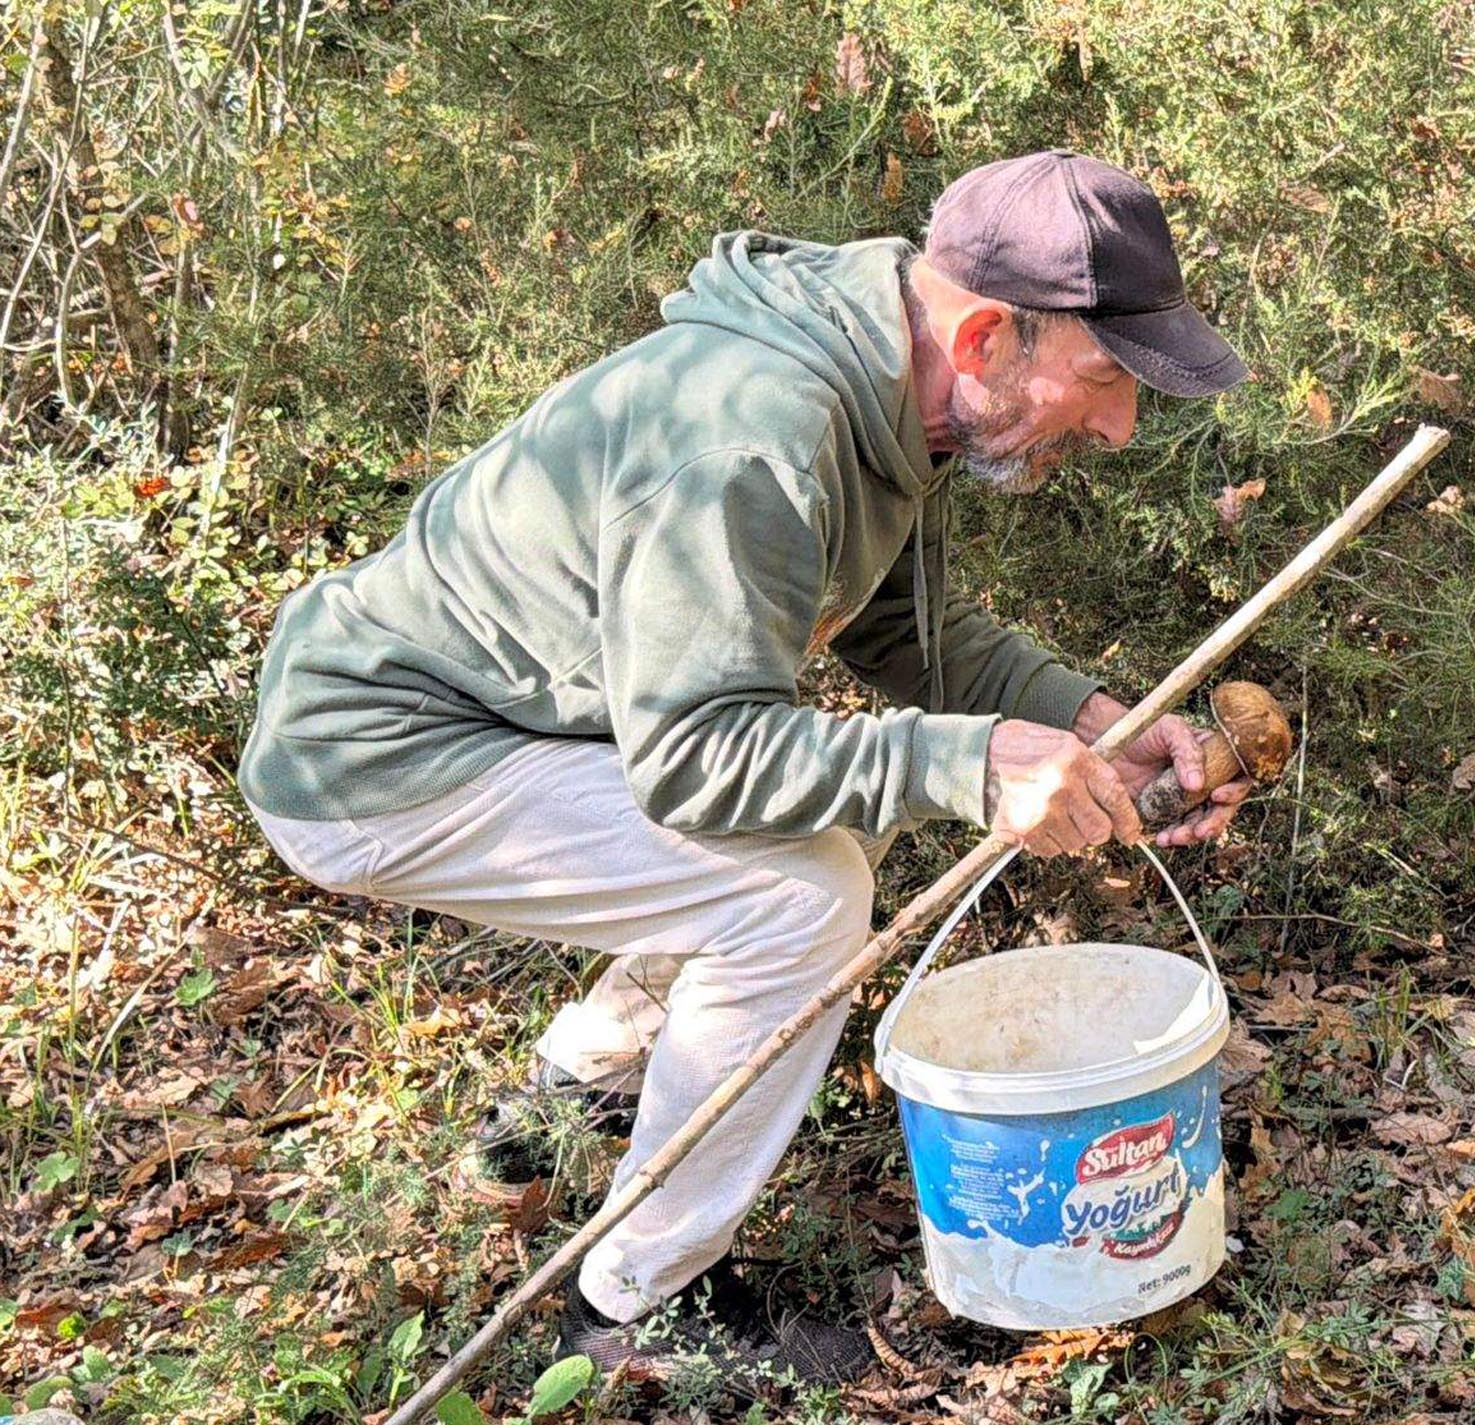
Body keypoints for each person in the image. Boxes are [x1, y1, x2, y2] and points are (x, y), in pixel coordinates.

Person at [237, 150, 1251, 1390]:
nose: (1117, 426)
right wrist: (970, 761)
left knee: (834, 814)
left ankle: (566, 1101)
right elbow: (695, 758)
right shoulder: (753, 433)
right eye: (1101, 380)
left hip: (518, 723)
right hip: (379, 758)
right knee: (799, 888)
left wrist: (1090, 724)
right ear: (986, 337)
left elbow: (898, 632)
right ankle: (637, 1297)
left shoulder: (896, 376)